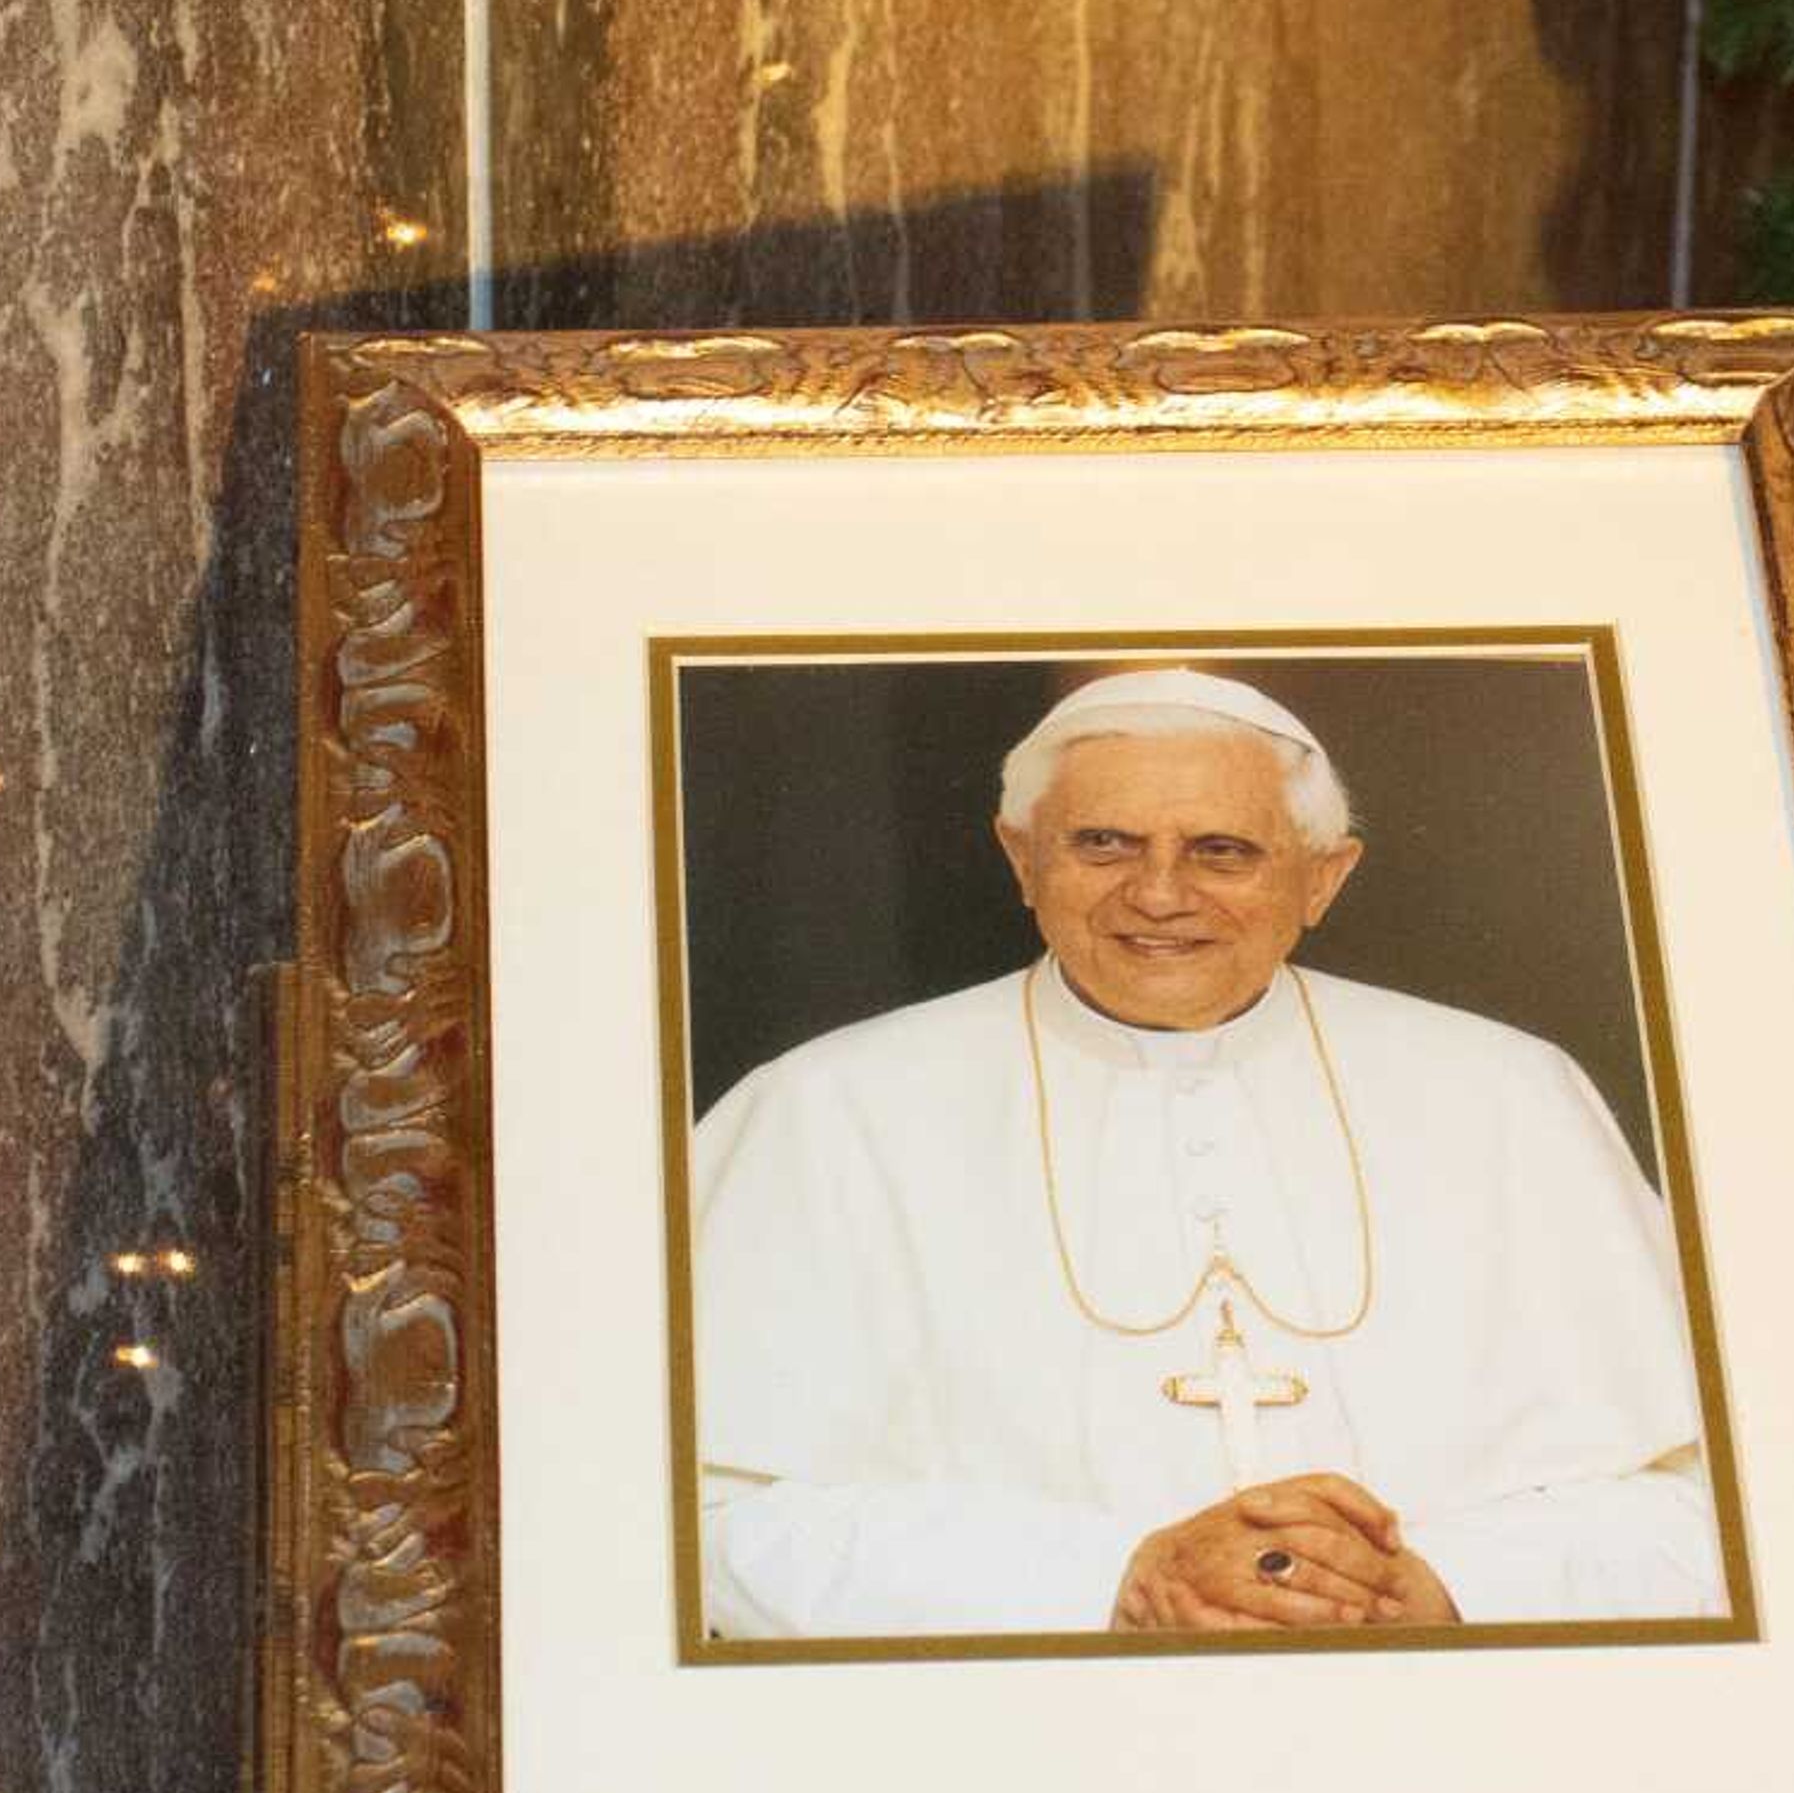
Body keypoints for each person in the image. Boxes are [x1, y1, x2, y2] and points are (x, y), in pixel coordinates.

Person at [685, 666, 1724, 1640]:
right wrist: (1114, 1581)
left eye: (1224, 851)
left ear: (1324, 878)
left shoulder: (1511, 1095)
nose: (1161, 894)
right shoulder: (825, 1110)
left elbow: (1714, 1503)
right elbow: (701, 1525)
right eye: (1104, 843)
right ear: (1020, 857)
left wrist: (1442, 1583)